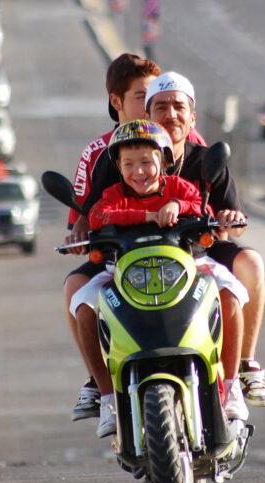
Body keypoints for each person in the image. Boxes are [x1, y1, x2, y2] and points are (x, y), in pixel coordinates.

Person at [83, 71, 265, 409]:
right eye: (161, 108)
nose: (139, 171)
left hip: (197, 254)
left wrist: (224, 219)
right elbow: (97, 213)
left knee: (239, 280)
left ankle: (241, 371)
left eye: (178, 107)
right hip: (129, 259)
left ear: (192, 117)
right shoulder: (115, 159)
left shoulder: (203, 161)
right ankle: (102, 389)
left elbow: (222, 216)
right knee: (81, 296)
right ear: (147, 115)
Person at [70, 119, 249, 437]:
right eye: (128, 164)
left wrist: (177, 205)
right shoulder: (113, 195)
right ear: (118, 167)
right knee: (82, 303)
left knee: (231, 293)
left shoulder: (179, 187)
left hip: (191, 266)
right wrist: (148, 216)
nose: (138, 172)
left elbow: (200, 205)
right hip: (122, 271)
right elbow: (99, 215)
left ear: (164, 161)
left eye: (146, 162)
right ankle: (109, 398)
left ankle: (232, 384)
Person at [64, 54, 206, 423]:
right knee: (77, 291)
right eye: (143, 97)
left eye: (157, 97)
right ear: (117, 102)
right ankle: (103, 387)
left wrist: (198, 213)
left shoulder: (190, 142)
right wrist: (84, 230)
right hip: (122, 258)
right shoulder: (100, 153)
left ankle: (229, 382)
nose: (153, 108)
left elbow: (202, 197)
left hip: (184, 254)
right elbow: (89, 213)